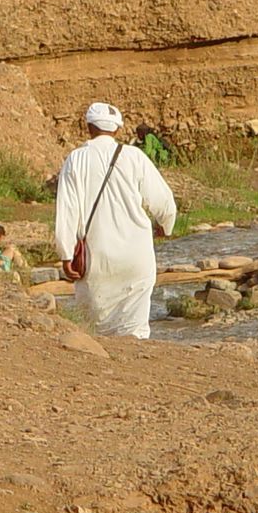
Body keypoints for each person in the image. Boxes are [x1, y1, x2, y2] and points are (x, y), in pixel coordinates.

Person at [53, 101, 177, 339]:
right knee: (137, 330)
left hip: (96, 258)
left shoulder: (75, 159)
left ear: (88, 127)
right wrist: (165, 226)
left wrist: (66, 254)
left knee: (96, 332)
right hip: (136, 256)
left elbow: (67, 212)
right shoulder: (135, 157)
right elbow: (165, 203)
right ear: (117, 130)